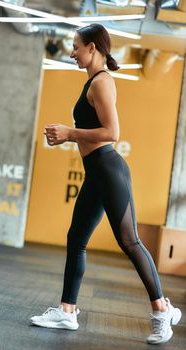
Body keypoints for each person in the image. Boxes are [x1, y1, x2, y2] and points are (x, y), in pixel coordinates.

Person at [29, 24, 181, 344]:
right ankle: (67, 311)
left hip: (109, 170)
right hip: (96, 173)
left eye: (76, 46)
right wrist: (71, 137)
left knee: (130, 242)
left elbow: (112, 133)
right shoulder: (92, 82)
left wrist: (70, 134)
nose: (71, 52)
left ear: (92, 48)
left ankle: (161, 310)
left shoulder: (101, 83)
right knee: (77, 239)